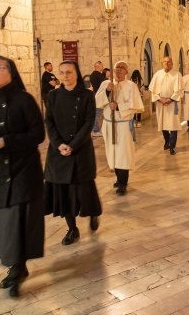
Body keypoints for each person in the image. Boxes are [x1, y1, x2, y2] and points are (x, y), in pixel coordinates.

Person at [0, 56, 45, 297]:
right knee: (0, 225)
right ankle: (14, 265)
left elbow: (37, 134)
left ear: (10, 71)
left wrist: (4, 142)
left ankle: (17, 268)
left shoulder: (24, 100)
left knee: (16, 223)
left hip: (20, 171)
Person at [44, 61, 101, 246]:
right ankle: (72, 228)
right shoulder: (52, 96)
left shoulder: (87, 95)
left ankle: (93, 212)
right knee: (63, 191)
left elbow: (88, 122)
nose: (65, 76)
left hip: (80, 148)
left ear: (76, 73)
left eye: (69, 72)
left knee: (84, 188)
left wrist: (73, 145)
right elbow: (49, 123)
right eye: (62, 73)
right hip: (58, 152)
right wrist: (59, 144)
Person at [97, 61, 144, 195]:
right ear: (113, 69)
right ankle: (119, 178)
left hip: (123, 126)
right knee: (113, 153)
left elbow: (135, 106)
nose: (119, 70)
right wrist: (107, 91)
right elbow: (96, 102)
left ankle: (123, 182)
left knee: (123, 154)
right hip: (108, 124)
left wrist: (118, 107)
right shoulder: (106, 83)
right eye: (117, 67)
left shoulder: (131, 86)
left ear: (126, 72)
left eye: (122, 68)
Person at [150, 56, 183, 154]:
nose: (167, 63)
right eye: (165, 62)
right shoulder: (157, 74)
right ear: (162, 63)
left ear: (172, 63)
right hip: (161, 103)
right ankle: (167, 141)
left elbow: (179, 90)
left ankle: (172, 146)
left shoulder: (177, 74)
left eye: (169, 62)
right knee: (163, 124)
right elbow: (152, 91)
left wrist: (170, 99)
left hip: (173, 103)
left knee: (173, 125)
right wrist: (160, 99)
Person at [89, 61, 106, 137]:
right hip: (100, 96)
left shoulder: (92, 74)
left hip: (96, 95)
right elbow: (104, 84)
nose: (102, 67)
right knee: (98, 114)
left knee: (97, 113)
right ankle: (95, 130)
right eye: (101, 65)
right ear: (98, 66)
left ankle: (94, 129)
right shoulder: (98, 75)